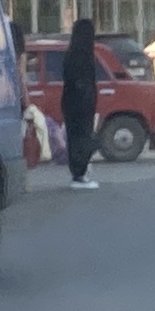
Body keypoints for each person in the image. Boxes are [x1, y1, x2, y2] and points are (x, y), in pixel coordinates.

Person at [61, 18, 101, 189]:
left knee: (74, 138)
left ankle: (77, 173)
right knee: (83, 138)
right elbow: (84, 81)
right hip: (82, 102)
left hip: (69, 101)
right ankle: (80, 173)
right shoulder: (84, 56)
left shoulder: (70, 54)